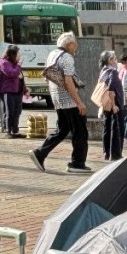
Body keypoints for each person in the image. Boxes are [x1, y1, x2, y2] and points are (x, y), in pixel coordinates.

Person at [31, 31, 89, 173]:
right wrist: (79, 103)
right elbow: (68, 81)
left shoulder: (53, 54)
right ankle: (77, 163)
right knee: (80, 132)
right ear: (69, 45)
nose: (76, 47)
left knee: (62, 130)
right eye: (75, 44)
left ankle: (40, 153)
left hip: (57, 99)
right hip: (69, 100)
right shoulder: (67, 57)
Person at [97, 49, 125, 162]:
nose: (116, 61)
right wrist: (114, 105)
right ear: (110, 60)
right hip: (115, 104)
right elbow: (111, 89)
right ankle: (115, 154)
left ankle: (107, 153)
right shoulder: (113, 72)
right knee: (116, 129)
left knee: (107, 128)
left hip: (105, 105)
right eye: (115, 59)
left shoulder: (103, 71)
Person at [0, 44, 24, 137]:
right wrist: (19, 65)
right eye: (17, 54)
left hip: (17, 90)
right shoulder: (4, 63)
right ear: (13, 54)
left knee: (17, 111)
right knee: (9, 111)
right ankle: (8, 130)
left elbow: (19, 77)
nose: (19, 56)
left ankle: (15, 130)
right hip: (8, 90)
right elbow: (11, 73)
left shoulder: (15, 64)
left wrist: (24, 89)